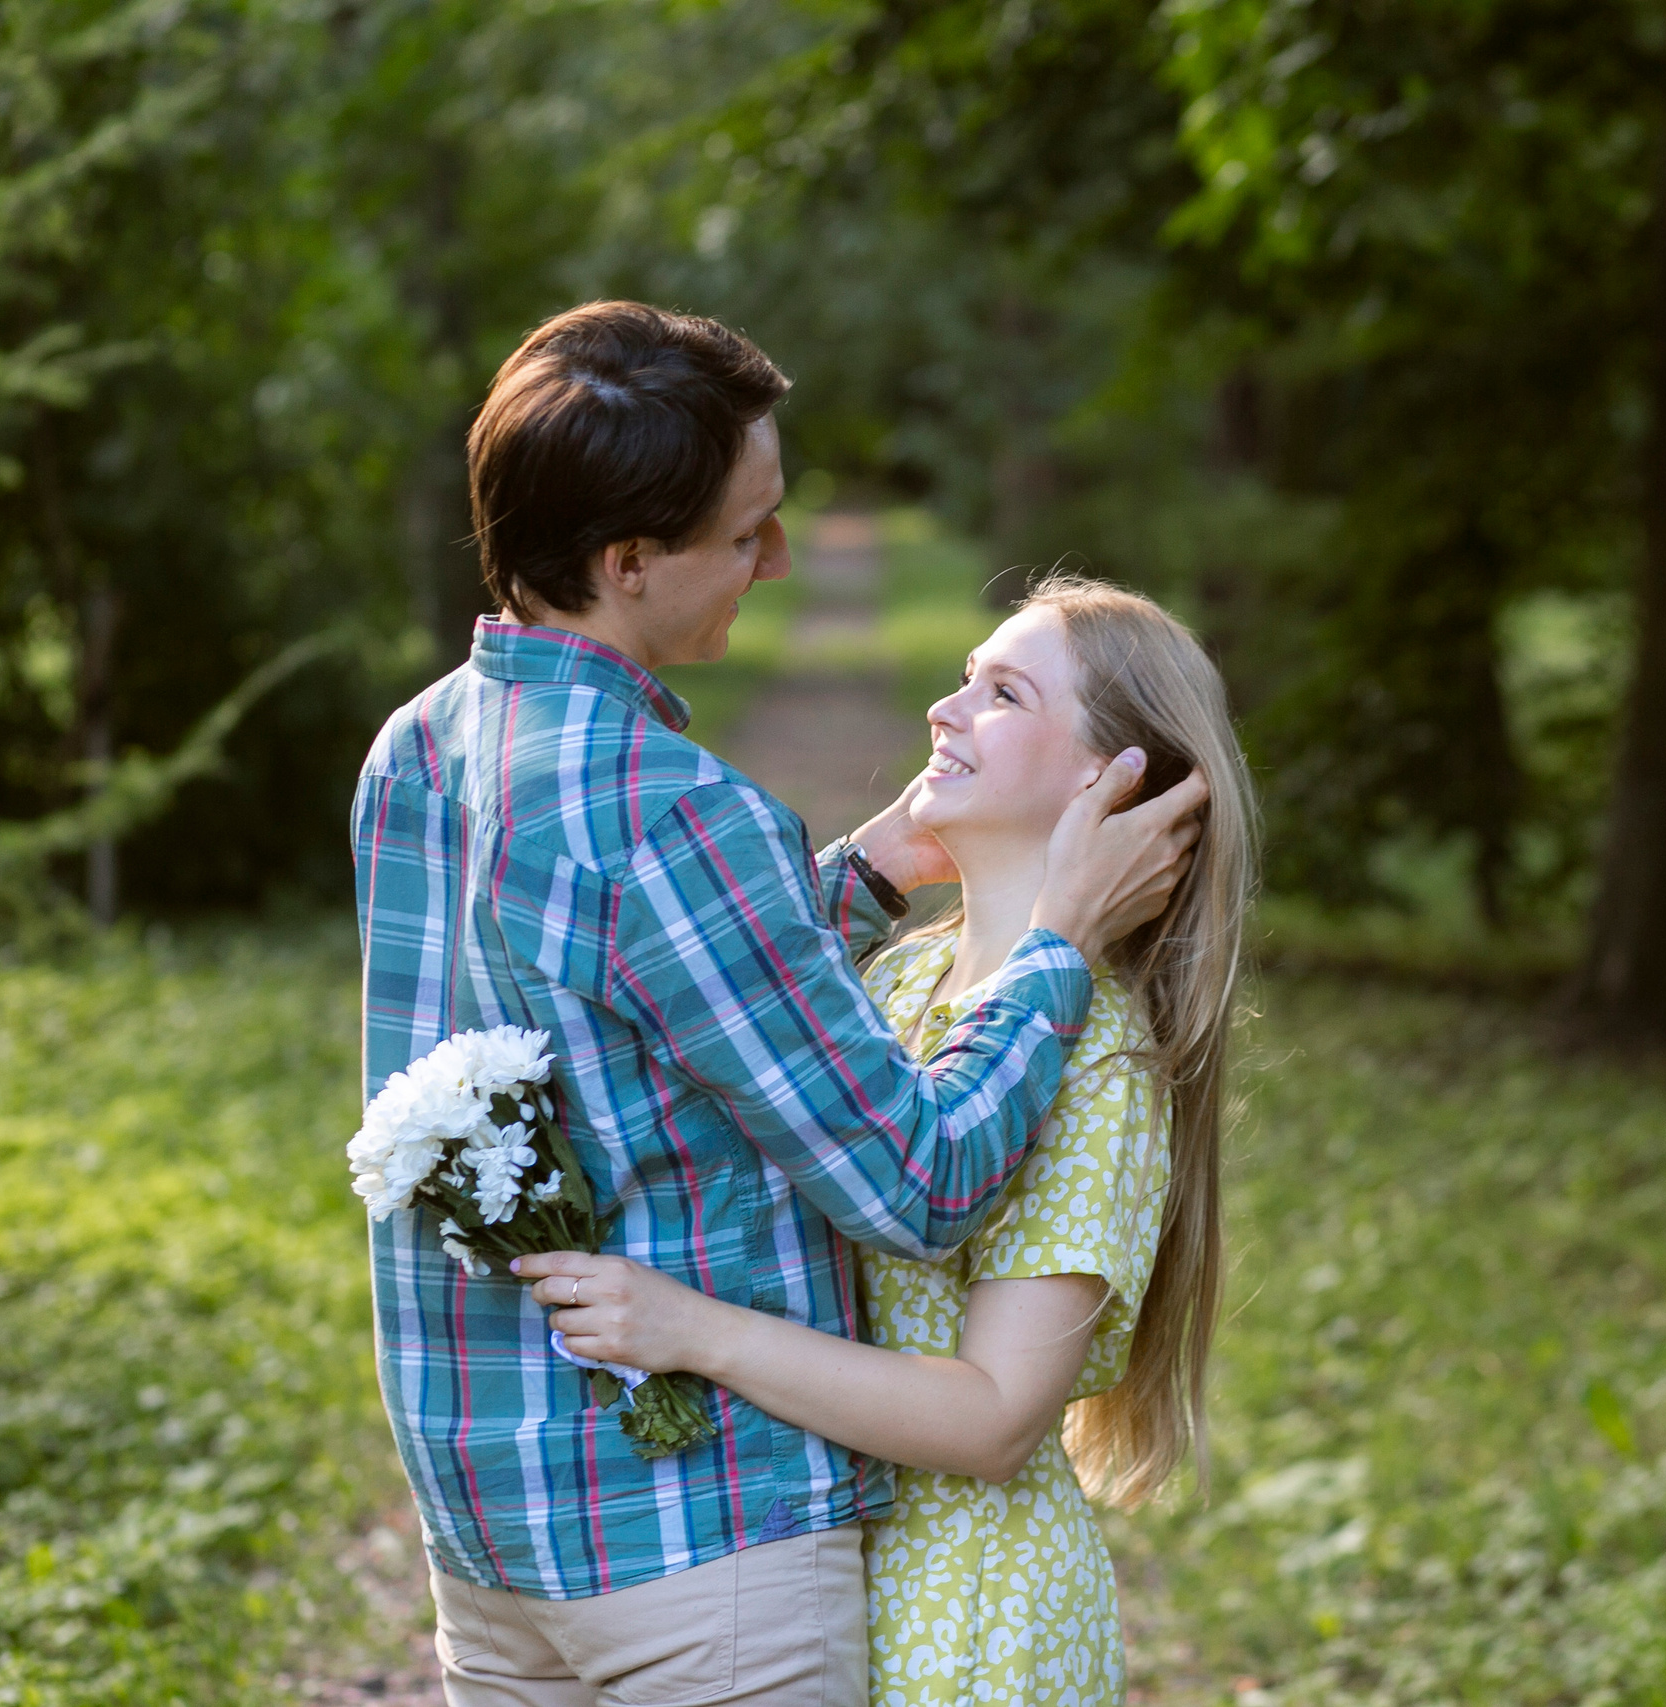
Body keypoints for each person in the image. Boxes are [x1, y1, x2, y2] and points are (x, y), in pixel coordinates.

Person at [351, 301, 1206, 1707]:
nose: (781, 557)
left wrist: (865, 870)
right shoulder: (675, 814)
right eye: (748, 532)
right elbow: (918, 1181)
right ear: (629, 562)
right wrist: (1054, 941)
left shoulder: (419, 751)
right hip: (691, 1550)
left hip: (485, 1526)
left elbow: (630, 985)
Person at [519, 577, 1258, 1707]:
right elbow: (718, 997)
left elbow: (996, 1418)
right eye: (962, 677)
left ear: (1108, 784)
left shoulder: (1098, 1056)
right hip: (808, 1563)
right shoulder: (909, 971)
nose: (943, 711)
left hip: (964, 1619)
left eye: (1002, 693)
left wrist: (690, 1330)